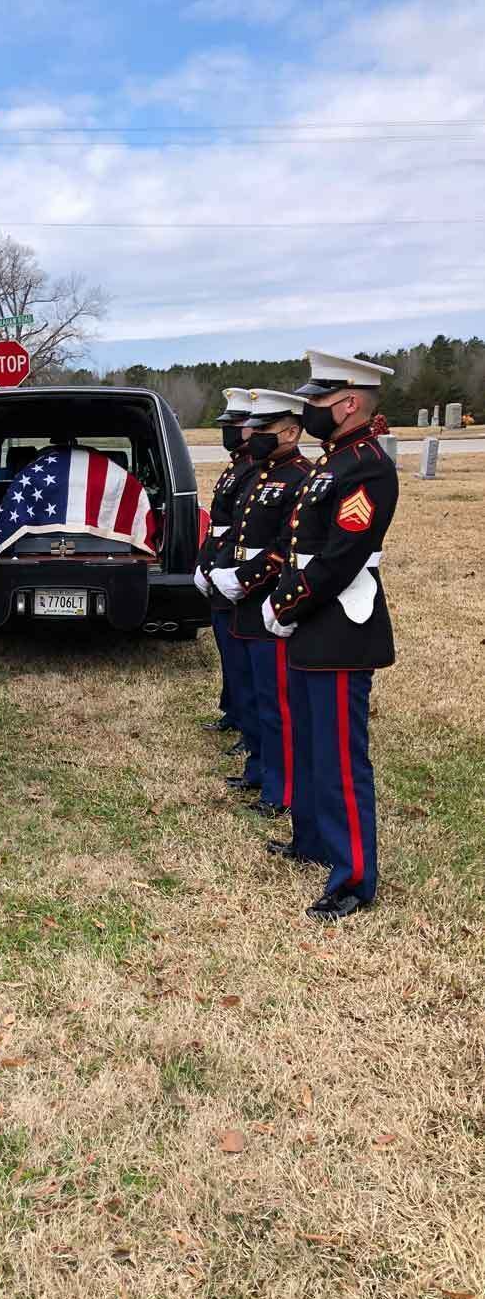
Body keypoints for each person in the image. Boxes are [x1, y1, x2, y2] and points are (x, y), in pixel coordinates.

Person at [263, 350, 398, 920]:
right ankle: (314, 840)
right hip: (315, 620)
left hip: (340, 622)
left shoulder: (364, 464)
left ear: (347, 404)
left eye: (316, 401)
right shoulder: (333, 460)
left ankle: (354, 877)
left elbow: (344, 554)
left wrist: (287, 601)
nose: (309, 410)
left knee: (342, 756)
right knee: (312, 742)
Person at [210, 390, 310, 819]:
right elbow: (235, 529)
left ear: (290, 431)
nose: (254, 435)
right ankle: (259, 770)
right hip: (242, 600)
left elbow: (284, 546)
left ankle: (280, 788)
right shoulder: (259, 474)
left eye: (265, 429)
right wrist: (217, 567)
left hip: (268, 597)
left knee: (276, 702)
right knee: (252, 693)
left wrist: (246, 579)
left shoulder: (300, 475)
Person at [198, 388, 262, 788]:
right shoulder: (238, 466)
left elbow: (244, 529)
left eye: (233, 426)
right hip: (224, 561)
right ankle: (235, 711)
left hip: (240, 568)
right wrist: (208, 561)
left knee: (242, 655)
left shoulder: (255, 469)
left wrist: (226, 568)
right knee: (228, 647)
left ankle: (246, 722)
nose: (228, 433)